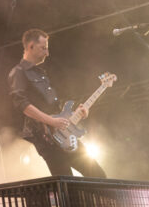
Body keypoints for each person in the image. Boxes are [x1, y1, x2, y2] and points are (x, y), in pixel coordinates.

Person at [6, 28, 107, 178]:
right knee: (67, 182)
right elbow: (22, 105)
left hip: (64, 133)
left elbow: (55, 109)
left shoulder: (41, 73)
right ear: (30, 46)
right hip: (44, 136)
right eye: (43, 48)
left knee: (97, 174)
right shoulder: (18, 72)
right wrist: (51, 121)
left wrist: (76, 114)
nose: (47, 53)